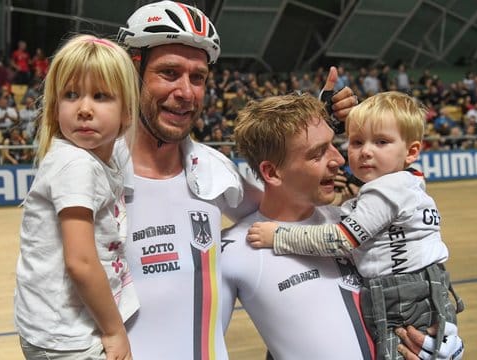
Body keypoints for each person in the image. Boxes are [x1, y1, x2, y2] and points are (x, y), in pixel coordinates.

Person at [114, 1, 357, 359]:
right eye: (169, 73)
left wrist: (324, 132)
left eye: (197, 77)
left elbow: (290, 207)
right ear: (132, 72)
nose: (186, 92)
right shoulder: (92, 178)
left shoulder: (213, 170)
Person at [245, 92, 465, 360]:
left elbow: (340, 240)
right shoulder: (403, 185)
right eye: (356, 142)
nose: (364, 152)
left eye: (381, 142)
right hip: (423, 288)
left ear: (412, 152)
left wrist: (279, 236)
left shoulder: (386, 191)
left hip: (403, 294)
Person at [14, 34, 140, 360]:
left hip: (54, 328)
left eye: (100, 96)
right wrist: (114, 330)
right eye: (71, 95)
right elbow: (80, 262)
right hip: (66, 338)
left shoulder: (94, 160)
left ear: (127, 112)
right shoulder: (76, 164)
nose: (84, 108)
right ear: (56, 108)